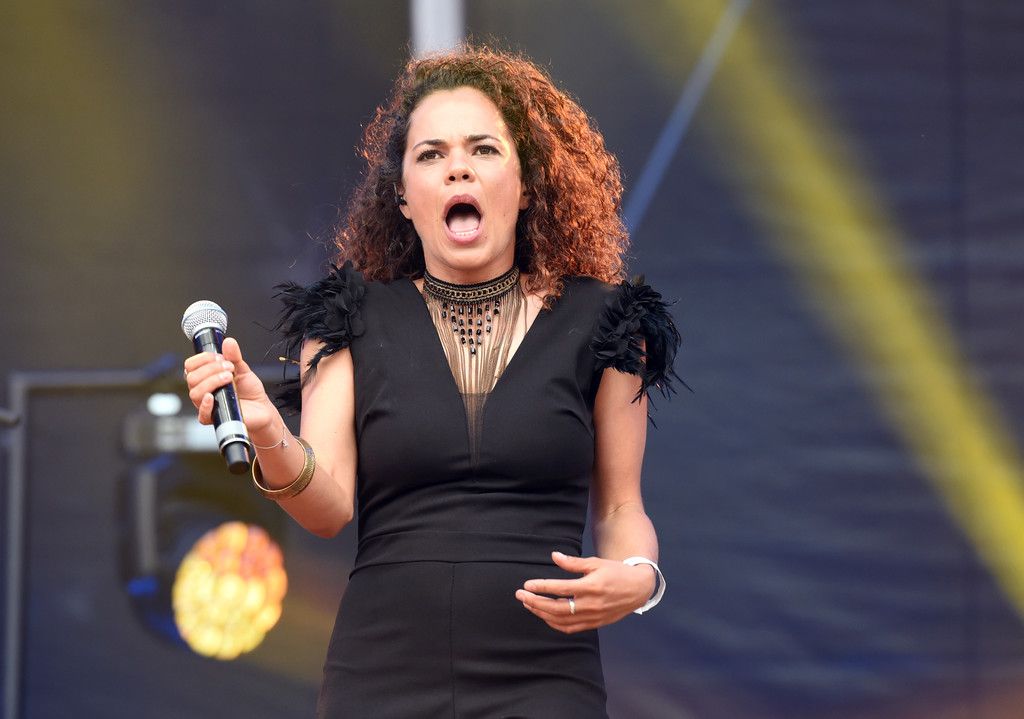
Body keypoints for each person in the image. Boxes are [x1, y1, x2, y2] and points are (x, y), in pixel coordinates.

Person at [183, 45, 680, 718]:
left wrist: (639, 578)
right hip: (382, 674)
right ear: (404, 198)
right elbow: (327, 508)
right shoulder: (347, 318)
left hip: (543, 676)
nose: (457, 168)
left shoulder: (606, 322)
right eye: (431, 154)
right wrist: (269, 428)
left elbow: (621, 509)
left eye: (483, 149)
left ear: (527, 185)